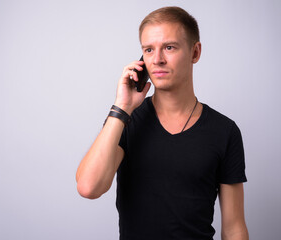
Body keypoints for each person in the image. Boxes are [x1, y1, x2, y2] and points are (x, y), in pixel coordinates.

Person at [76, 6, 248, 240]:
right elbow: (89, 187)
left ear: (195, 52)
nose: (157, 60)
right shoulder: (126, 121)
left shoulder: (225, 131)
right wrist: (122, 107)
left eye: (169, 47)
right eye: (148, 50)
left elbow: (234, 227)